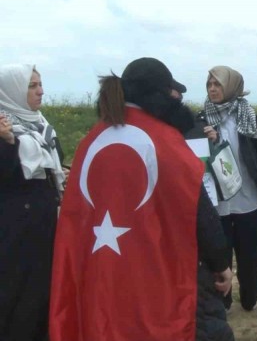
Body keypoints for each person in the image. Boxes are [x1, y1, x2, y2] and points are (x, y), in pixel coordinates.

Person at [49, 57, 234, 340]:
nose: (178, 97)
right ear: (160, 94)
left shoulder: (91, 140)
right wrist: (221, 262)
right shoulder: (163, 140)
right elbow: (197, 208)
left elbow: (76, 217)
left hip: (105, 273)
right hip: (163, 271)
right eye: (173, 91)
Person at [193, 65, 257, 312]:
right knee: (219, 255)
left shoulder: (249, 116)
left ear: (231, 86)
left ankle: (251, 299)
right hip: (218, 204)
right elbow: (193, 160)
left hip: (249, 199)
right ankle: (223, 302)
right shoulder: (200, 121)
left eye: (218, 84)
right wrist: (205, 141)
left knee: (250, 255)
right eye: (210, 85)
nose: (213, 89)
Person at [0, 64, 66, 340]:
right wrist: (6, 142)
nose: (41, 91)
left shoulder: (41, 124)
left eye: (40, 84)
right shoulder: (4, 126)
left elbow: (55, 163)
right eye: (32, 85)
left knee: (43, 294)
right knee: (19, 298)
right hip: (17, 231)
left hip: (44, 225)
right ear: (13, 90)